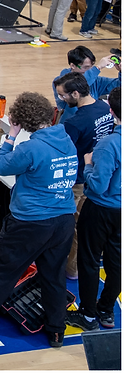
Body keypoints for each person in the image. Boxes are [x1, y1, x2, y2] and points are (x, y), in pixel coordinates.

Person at [0, 92, 78, 348]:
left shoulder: (31, 147)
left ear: (22, 120)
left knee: (5, 269)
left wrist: (10, 136)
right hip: (64, 219)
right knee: (53, 275)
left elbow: (1, 166)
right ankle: (57, 330)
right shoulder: (66, 138)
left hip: (31, 222)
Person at [66, 86, 120, 331]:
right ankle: (106, 310)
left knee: (88, 260)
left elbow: (98, 186)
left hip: (101, 208)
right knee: (116, 262)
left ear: (111, 111)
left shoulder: (110, 144)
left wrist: (88, 165)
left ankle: (87, 315)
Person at [54, 72, 116, 279]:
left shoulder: (74, 123)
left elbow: (61, 153)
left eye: (63, 96)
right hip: (103, 173)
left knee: (70, 227)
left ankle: (70, 269)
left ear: (75, 93)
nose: (61, 100)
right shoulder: (105, 108)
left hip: (78, 179)